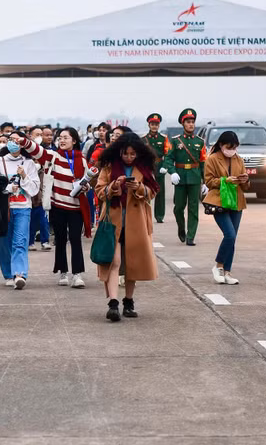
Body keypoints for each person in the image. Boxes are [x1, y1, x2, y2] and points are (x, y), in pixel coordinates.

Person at [95, 133, 159, 322]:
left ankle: (128, 301)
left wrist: (138, 187)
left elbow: (152, 192)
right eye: (126, 154)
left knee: (132, 263)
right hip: (112, 222)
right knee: (113, 261)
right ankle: (113, 304)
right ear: (119, 152)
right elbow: (99, 191)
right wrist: (114, 187)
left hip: (136, 223)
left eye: (133, 154)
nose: (129, 157)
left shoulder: (144, 168)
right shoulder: (108, 167)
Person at [22, 127, 93, 288]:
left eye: (66, 137)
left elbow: (87, 181)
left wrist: (85, 187)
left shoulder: (81, 160)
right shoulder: (52, 157)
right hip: (58, 206)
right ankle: (63, 271)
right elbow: (36, 150)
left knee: (75, 239)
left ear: (74, 141)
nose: (61, 140)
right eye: (60, 137)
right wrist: (24, 141)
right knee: (60, 239)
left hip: (76, 208)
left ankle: (77, 274)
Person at [0, 131, 40, 289]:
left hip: (23, 207)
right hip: (4, 208)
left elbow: (34, 189)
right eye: (10, 140)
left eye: (17, 140)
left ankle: (19, 274)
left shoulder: (29, 163)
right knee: (5, 241)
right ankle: (8, 274)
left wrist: (24, 177)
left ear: (23, 143)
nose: (13, 143)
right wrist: (5, 187)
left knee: (20, 241)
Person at [202, 131, 250, 285]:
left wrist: (244, 179)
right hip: (219, 201)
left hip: (236, 201)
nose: (232, 150)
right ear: (222, 145)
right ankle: (218, 266)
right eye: (229, 147)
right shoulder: (212, 159)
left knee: (233, 238)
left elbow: (246, 186)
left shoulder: (239, 160)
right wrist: (225, 180)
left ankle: (227, 272)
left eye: (235, 147)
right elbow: (209, 181)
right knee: (229, 235)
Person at [162, 108, 207, 246]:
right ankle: (181, 229)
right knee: (178, 207)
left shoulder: (200, 142)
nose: (191, 124)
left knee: (193, 208)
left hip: (194, 177)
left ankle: (190, 235)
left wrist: (205, 182)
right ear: (183, 124)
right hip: (180, 177)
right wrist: (172, 172)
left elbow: (203, 162)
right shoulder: (175, 141)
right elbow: (168, 159)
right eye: (188, 122)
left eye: (192, 122)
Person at [26, 126, 52, 252]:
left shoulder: (46, 151)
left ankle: (45, 240)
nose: (40, 137)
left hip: (43, 188)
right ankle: (30, 241)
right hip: (29, 191)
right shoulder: (25, 152)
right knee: (31, 219)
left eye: (41, 134)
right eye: (37, 134)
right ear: (30, 136)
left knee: (44, 217)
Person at [143, 114, 171, 224]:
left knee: (160, 191)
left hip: (159, 166)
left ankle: (159, 215)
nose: (154, 126)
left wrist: (165, 166)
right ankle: (146, 212)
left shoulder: (163, 139)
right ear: (149, 125)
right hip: (147, 167)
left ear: (159, 126)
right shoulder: (143, 139)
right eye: (152, 124)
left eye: (156, 124)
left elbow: (168, 154)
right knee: (146, 191)